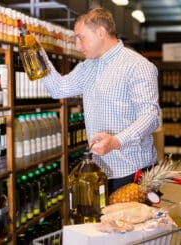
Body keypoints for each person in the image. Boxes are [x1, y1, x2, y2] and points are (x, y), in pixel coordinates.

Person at [41, 7, 161, 194]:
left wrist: (115, 141)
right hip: (100, 172)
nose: (78, 45)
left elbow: (150, 117)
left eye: (81, 37)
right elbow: (59, 89)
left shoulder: (138, 66)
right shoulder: (88, 67)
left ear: (101, 32)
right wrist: (35, 55)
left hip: (134, 172)